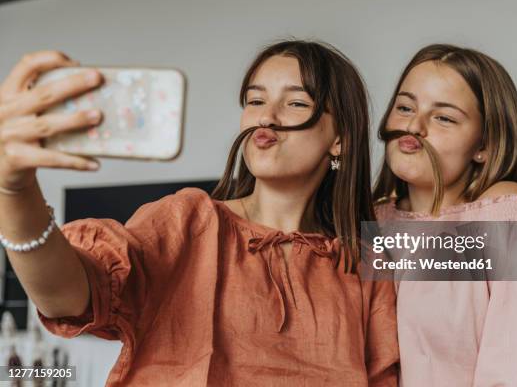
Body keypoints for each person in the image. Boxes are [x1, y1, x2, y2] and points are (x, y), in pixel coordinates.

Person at [0, 41, 399, 386]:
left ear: (340, 140)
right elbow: (66, 297)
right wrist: (12, 190)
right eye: (255, 100)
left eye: (295, 102)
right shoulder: (189, 222)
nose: (266, 116)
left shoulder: (366, 256)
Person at [373, 44, 517, 386]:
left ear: (484, 145)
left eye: (444, 117)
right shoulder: (367, 225)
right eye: (405, 106)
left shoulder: (509, 219)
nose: (414, 125)